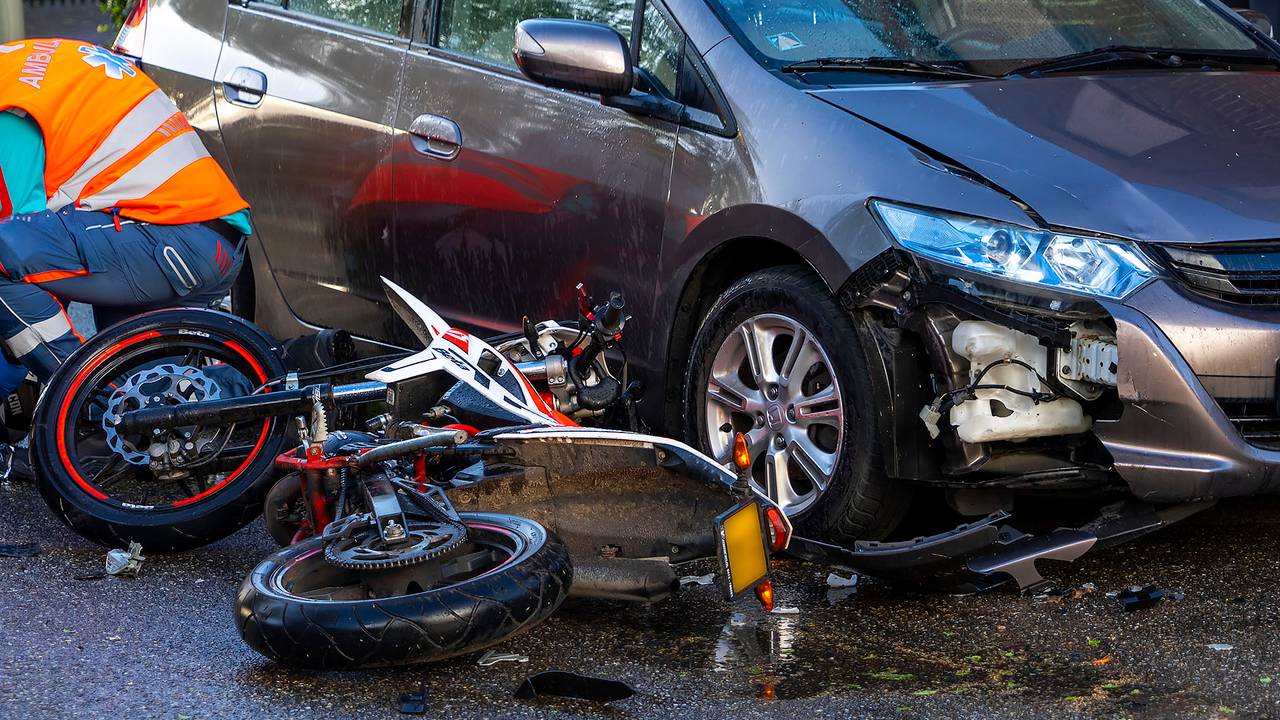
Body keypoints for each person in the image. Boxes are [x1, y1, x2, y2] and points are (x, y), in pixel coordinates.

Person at [0, 38, 252, 474]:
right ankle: (256, 396)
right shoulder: (20, 69)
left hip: (174, 237)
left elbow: (22, 249)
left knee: (6, 252)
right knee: (149, 399)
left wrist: (18, 371)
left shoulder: (10, 111)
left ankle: (77, 400)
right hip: (198, 237)